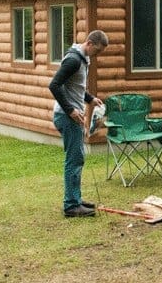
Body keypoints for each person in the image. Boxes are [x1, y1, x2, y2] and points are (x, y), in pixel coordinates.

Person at [49, 30, 109, 218]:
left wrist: (90, 99)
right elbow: (54, 85)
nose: (97, 55)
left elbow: (75, 87)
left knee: (77, 157)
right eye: (97, 51)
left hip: (72, 116)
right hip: (67, 117)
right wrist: (71, 110)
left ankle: (76, 199)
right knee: (74, 159)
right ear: (89, 43)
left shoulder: (83, 59)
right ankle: (71, 205)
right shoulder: (74, 60)